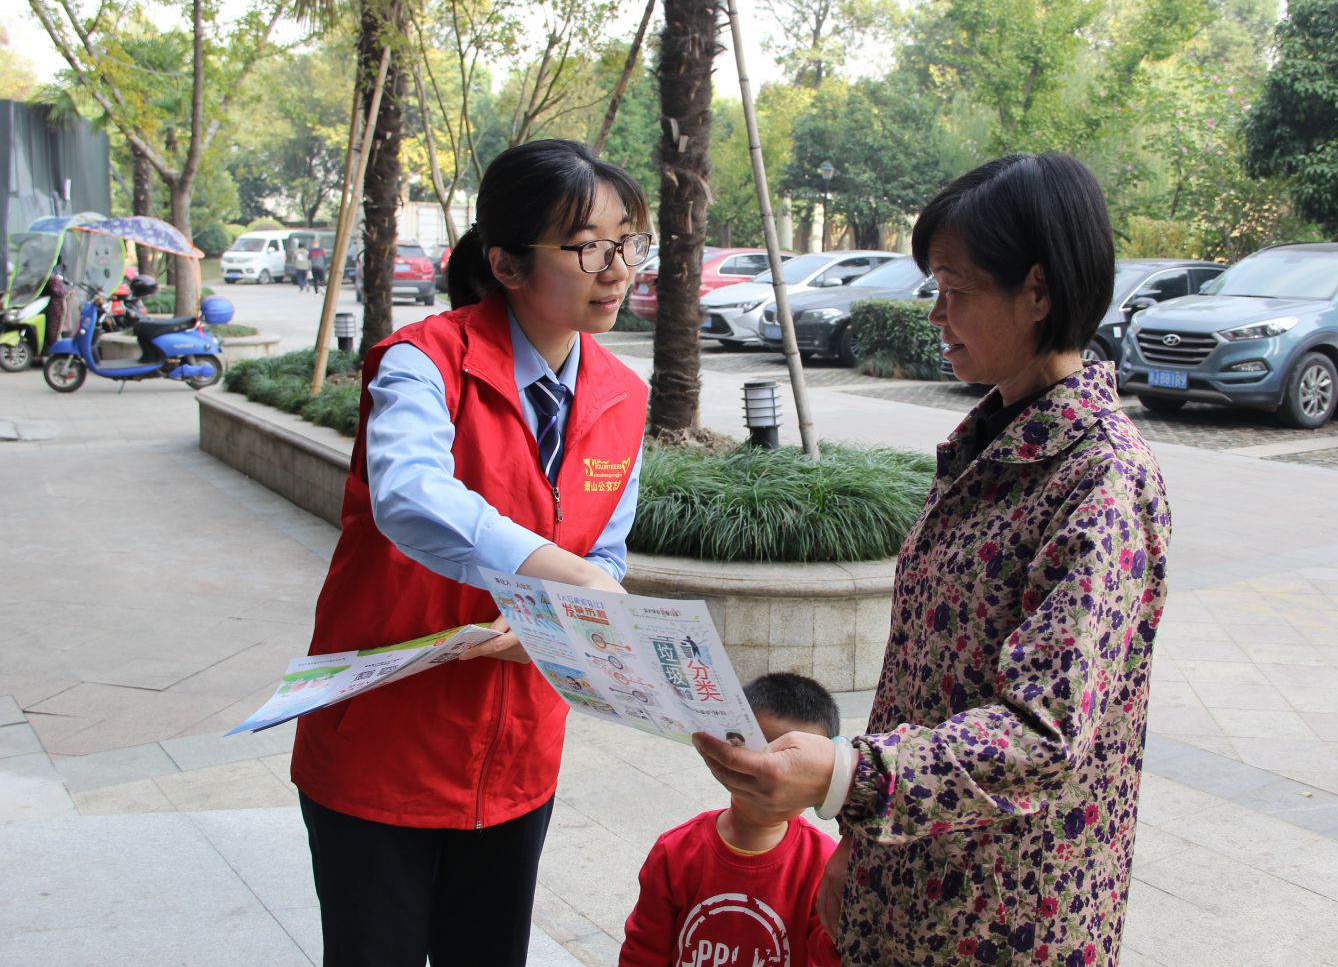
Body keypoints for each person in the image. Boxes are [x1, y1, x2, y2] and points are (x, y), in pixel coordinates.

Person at [694, 153, 1173, 967]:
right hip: (909, 876)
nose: (937, 315)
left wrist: (845, 777)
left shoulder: (1102, 480)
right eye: (933, 289)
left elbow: (1043, 732)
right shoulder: (990, 443)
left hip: (1006, 913)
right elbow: (917, 676)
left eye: (955, 289)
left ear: (1038, 291)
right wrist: (859, 836)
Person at [291, 138, 654, 967]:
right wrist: (562, 573)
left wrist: (557, 617)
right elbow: (410, 495)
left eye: (630, 242)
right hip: (383, 749)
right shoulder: (422, 363)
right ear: (508, 264)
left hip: (517, 754)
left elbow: (607, 552)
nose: (618, 269)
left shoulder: (622, 396)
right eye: (589, 246)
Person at [620, 673, 844, 967]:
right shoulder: (674, 851)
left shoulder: (824, 863)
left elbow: (827, 956)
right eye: (761, 754)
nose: (772, 779)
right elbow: (643, 951)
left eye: (793, 769)